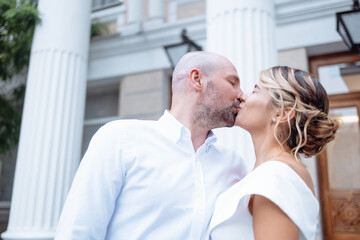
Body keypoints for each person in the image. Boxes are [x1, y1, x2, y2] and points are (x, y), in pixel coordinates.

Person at [55, 51, 248, 240]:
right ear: (197, 79)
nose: (242, 95)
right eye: (232, 83)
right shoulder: (120, 139)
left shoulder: (234, 164)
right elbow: (77, 232)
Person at [209, 66, 339, 240]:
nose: (242, 96)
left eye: (255, 90)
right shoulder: (275, 172)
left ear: (282, 113)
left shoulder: (276, 176)